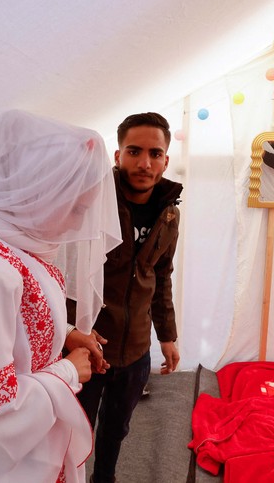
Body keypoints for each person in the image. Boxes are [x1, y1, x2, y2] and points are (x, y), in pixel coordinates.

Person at [0, 110, 121, 483]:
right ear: (36, 192)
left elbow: (16, 316)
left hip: (37, 445)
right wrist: (69, 370)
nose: (75, 224)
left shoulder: (10, 244)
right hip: (10, 465)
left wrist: (63, 333)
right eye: (76, 209)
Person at [67, 112, 183, 483]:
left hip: (134, 349)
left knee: (116, 429)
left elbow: (161, 276)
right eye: (134, 151)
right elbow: (61, 272)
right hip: (88, 344)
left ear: (166, 159)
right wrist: (66, 332)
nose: (144, 163)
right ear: (117, 156)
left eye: (155, 153)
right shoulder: (89, 203)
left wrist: (167, 335)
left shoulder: (169, 214)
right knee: (71, 430)